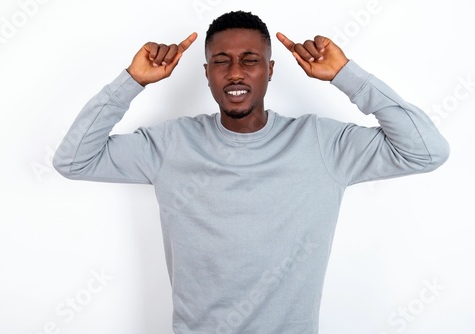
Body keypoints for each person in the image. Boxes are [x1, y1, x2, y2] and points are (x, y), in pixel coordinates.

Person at [53, 10, 449, 334]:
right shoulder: (171, 144)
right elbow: (73, 160)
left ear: (270, 70)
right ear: (207, 73)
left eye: (250, 60)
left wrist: (348, 75)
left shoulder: (321, 144)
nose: (236, 72)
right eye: (222, 62)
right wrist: (131, 81)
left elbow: (426, 151)